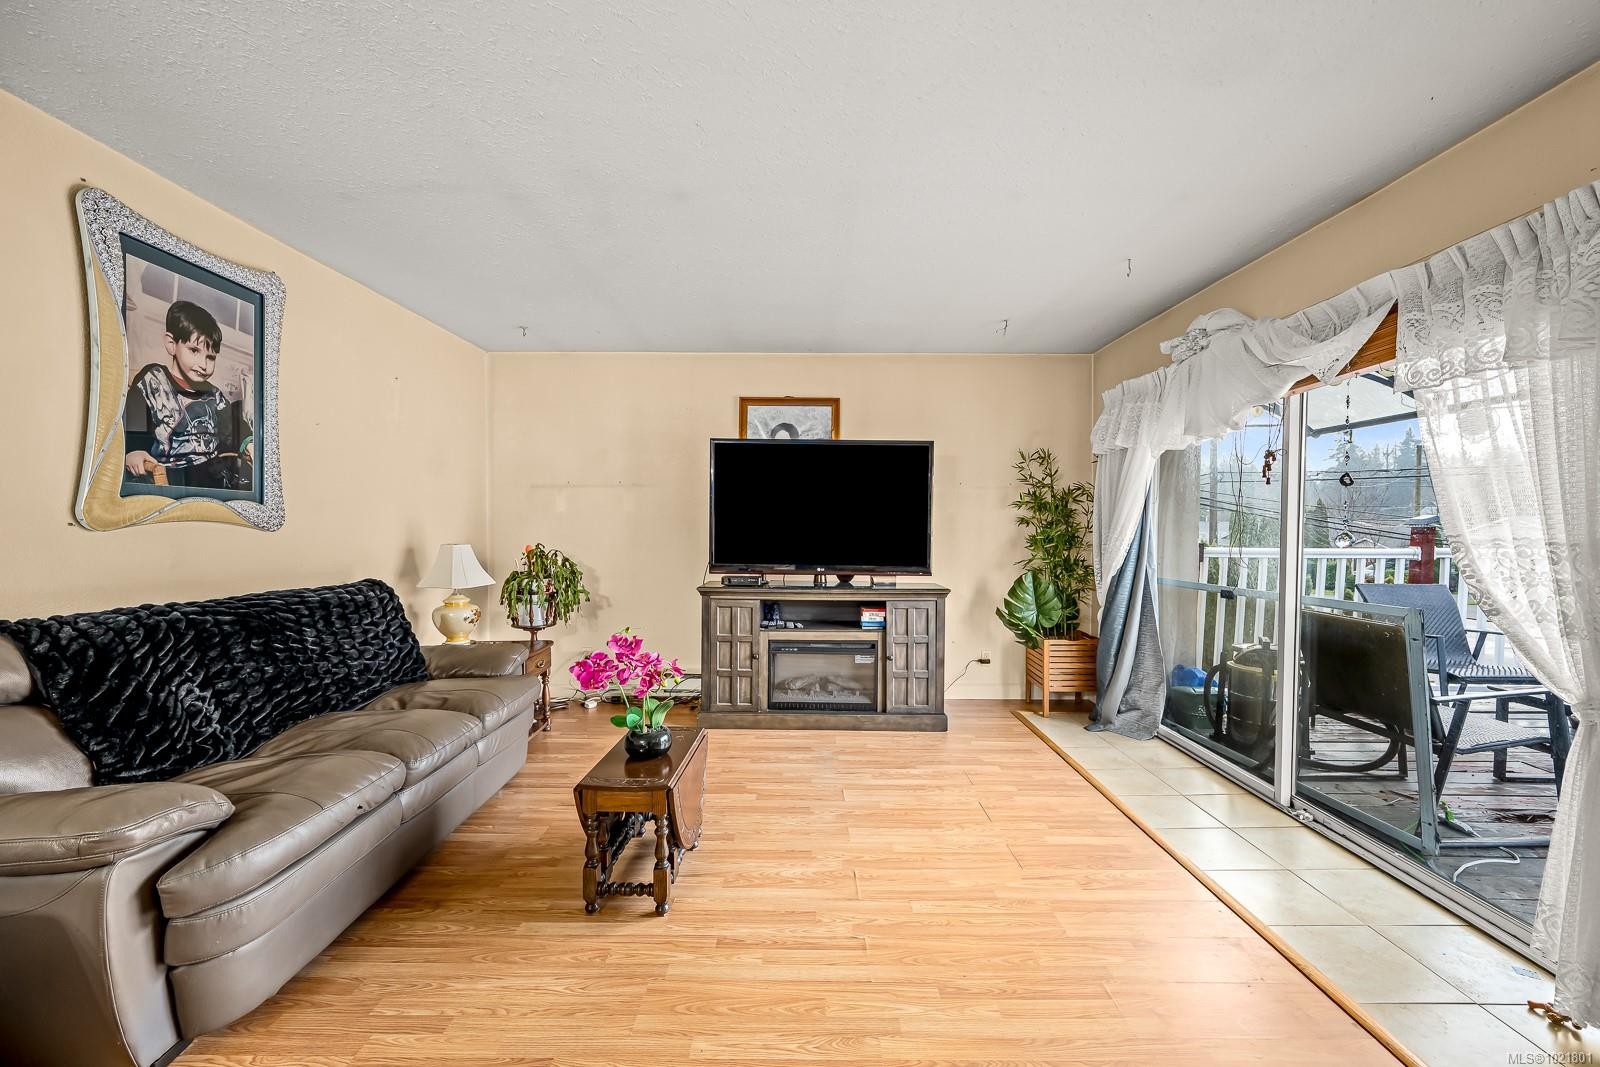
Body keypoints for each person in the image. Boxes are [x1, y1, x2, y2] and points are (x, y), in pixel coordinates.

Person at [122, 300, 253, 491]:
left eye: (210, 357)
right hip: (167, 477)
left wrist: (248, 442)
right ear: (171, 344)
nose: (204, 364)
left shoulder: (213, 394)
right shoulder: (153, 379)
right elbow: (132, 423)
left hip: (212, 477)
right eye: (194, 351)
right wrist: (133, 449)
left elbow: (231, 428)